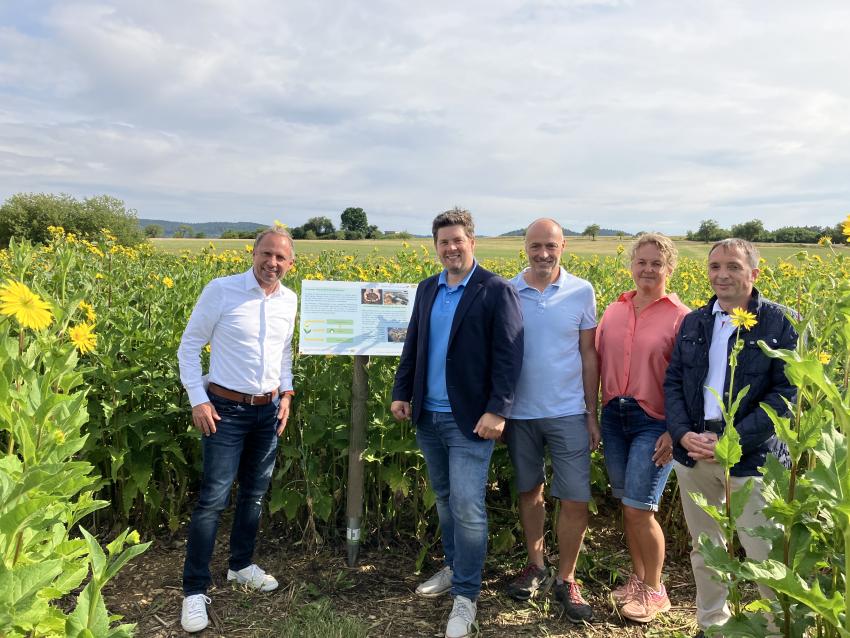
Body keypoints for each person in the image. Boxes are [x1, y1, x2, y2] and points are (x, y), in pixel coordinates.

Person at [391, 208, 524, 638]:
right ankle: (453, 566)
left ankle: (466, 596)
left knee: (468, 505)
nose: (451, 248)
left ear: (472, 242)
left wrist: (498, 410)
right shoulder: (428, 288)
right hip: (428, 415)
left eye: (457, 240)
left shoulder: (494, 289)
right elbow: (415, 342)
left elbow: (510, 355)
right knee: (446, 499)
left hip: (471, 421)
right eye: (443, 242)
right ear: (436, 247)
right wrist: (400, 392)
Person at [664, 238, 797, 637]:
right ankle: (713, 625)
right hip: (695, 452)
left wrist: (733, 439)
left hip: (752, 456)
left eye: (733, 267)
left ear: (754, 273)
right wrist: (683, 434)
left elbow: (785, 397)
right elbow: (673, 381)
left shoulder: (780, 322)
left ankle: (776, 630)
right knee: (707, 550)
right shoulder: (695, 320)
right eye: (715, 266)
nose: (722, 274)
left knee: (765, 554)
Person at [176, 227, 297, 633]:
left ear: (290, 263)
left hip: (268, 411)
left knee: (255, 494)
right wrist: (198, 398)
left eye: (280, 258)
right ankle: (194, 590)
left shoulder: (289, 300)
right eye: (266, 254)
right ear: (253, 253)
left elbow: (283, 352)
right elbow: (189, 345)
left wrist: (287, 393)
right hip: (224, 409)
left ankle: (241, 565)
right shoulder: (222, 290)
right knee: (212, 499)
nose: (272, 263)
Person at [502, 218, 600, 623]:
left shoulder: (582, 291)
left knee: (575, 496)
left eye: (551, 246)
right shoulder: (507, 290)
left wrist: (592, 413)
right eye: (535, 246)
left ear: (563, 247)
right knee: (530, 491)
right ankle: (537, 566)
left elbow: (589, 354)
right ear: (524, 247)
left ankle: (567, 578)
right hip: (520, 414)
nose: (543, 253)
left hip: (568, 412)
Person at [596, 233, 689, 622]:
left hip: (656, 421)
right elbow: (596, 360)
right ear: (631, 265)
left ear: (670, 268)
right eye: (642, 262)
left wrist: (676, 429)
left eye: (657, 263)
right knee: (628, 503)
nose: (648, 269)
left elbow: (690, 380)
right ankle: (638, 579)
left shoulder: (682, 316)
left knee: (640, 508)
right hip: (615, 417)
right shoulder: (615, 309)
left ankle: (655, 590)